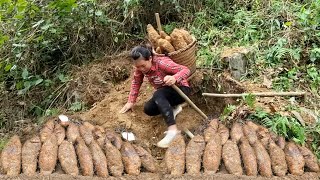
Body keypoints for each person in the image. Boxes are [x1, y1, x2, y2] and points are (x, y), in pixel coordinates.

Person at [119, 45, 191, 148]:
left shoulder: (162, 63)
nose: (141, 69)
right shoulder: (140, 68)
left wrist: (174, 78)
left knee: (158, 94)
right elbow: (136, 82)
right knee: (148, 109)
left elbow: (186, 70)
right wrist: (131, 101)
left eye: (143, 66)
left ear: (150, 58)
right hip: (165, 94)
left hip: (181, 90)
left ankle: (172, 130)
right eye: (138, 67)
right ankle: (173, 108)